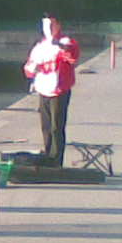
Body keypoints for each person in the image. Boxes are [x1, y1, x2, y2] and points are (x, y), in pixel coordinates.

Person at [23, 13, 80, 167]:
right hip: (43, 89)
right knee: (46, 127)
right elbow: (28, 68)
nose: (48, 28)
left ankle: (57, 160)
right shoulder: (40, 46)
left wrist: (59, 46)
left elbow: (73, 56)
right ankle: (48, 157)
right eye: (46, 25)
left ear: (58, 25)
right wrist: (31, 69)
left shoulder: (65, 42)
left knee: (56, 127)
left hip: (59, 90)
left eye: (52, 25)